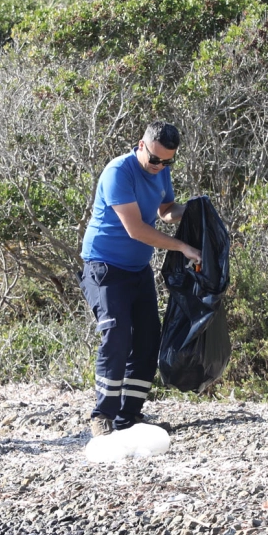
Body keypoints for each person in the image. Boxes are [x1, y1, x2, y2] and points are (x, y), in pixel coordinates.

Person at [79, 120, 202, 437]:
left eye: (168, 161)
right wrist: (182, 247)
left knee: (149, 339)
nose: (160, 166)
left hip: (137, 269)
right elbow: (136, 229)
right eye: (155, 159)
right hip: (104, 267)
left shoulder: (161, 170)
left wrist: (190, 210)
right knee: (117, 334)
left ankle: (129, 416)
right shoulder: (118, 172)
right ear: (141, 145)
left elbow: (165, 210)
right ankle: (102, 416)